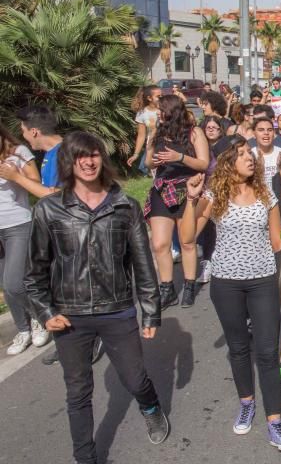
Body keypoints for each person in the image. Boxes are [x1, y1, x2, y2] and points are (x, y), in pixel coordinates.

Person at [25, 132, 169, 463]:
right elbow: (34, 274)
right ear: (69, 162)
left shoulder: (124, 206)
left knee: (135, 378)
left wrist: (150, 312)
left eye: (93, 155)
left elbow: (143, 266)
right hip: (68, 315)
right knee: (77, 392)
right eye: (80, 156)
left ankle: (150, 406)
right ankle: (85, 456)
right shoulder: (49, 210)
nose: (88, 162)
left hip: (116, 310)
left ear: (102, 159)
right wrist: (46, 312)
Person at [180, 136, 281, 451]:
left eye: (251, 154)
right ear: (229, 161)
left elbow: (277, 242)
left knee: (268, 352)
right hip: (226, 282)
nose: (250, 158)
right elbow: (188, 236)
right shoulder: (214, 194)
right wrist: (191, 201)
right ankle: (247, 403)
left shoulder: (266, 193)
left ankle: (276, 424)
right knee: (237, 349)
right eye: (243, 154)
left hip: (263, 280)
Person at [144, 95, 210, 308]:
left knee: (186, 241)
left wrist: (179, 158)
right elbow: (148, 163)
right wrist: (150, 151)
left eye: (161, 110)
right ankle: (167, 288)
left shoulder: (194, 132)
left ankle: (189, 285)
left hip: (186, 187)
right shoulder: (158, 132)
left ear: (172, 111)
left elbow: (203, 163)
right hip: (162, 188)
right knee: (160, 243)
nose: (158, 114)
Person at [0, 125, 48, 355]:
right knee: (6, 287)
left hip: (17, 224)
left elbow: (36, 183)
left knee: (14, 283)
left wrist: (14, 176)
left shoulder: (19, 152)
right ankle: (23, 329)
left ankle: (41, 318)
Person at [15, 105, 63, 198]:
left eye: (23, 131)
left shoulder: (64, 153)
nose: (23, 135)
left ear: (33, 132)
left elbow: (56, 195)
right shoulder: (51, 152)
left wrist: (16, 177)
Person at [128, 85, 162, 174]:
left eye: (162, 95)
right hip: (152, 148)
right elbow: (141, 135)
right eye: (158, 96)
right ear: (149, 98)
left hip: (166, 145)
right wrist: (136, 154)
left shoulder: (165, 109)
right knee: (156, 176)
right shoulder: (142, 113)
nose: (161, 98)